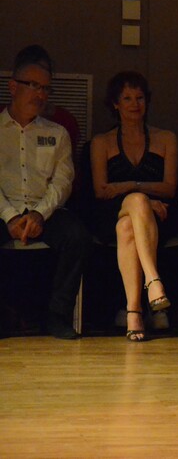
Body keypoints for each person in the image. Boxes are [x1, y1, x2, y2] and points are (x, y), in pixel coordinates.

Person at [0, 46, 91, 339]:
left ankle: (57, 316)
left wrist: (40, 213)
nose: (40, 94)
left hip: (44, 210)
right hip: (4, 209)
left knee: (76, 236)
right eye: (34, 86)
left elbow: (63, 180)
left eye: (46, 89)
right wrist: (10, 217)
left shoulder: (57, 133)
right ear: (13, 87)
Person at [90, 71, 178, 342]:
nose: (134, 104)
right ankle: (154, 282)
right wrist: (141, 195)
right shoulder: (101, 142)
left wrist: (129, 186)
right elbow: (102, 191)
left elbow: (169, 188)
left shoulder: (166, 138)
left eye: (139, 98)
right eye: (127, 98)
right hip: (110, 212)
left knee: (128, 225)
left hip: (159, 215)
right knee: (137, 204)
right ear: (115, 104)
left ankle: (133, 311)